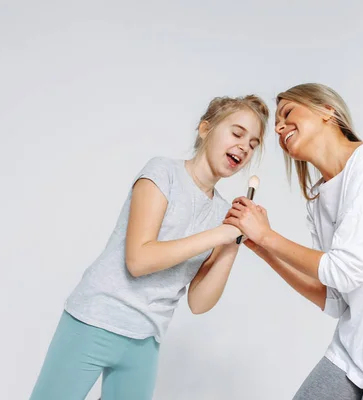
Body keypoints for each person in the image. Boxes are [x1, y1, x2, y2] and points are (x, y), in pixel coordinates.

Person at [30, 94, 269, 400]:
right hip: (95, 320)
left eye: (253, 144)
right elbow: (139, 259)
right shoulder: (162, 173)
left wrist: (234, 241)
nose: (244, 147)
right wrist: (219, 235)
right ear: (205, 129)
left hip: (145, 340)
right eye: (237, 133)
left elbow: (198, 302)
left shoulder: (221, 215)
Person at [224, 83, 363, 400]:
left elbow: (344, 270)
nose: (278, 127)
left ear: (327, 111)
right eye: (276, 124)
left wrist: (268, 235)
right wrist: (263, 248)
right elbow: (335, 298)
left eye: (288, 113)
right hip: (354, 349)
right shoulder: (318, 201)